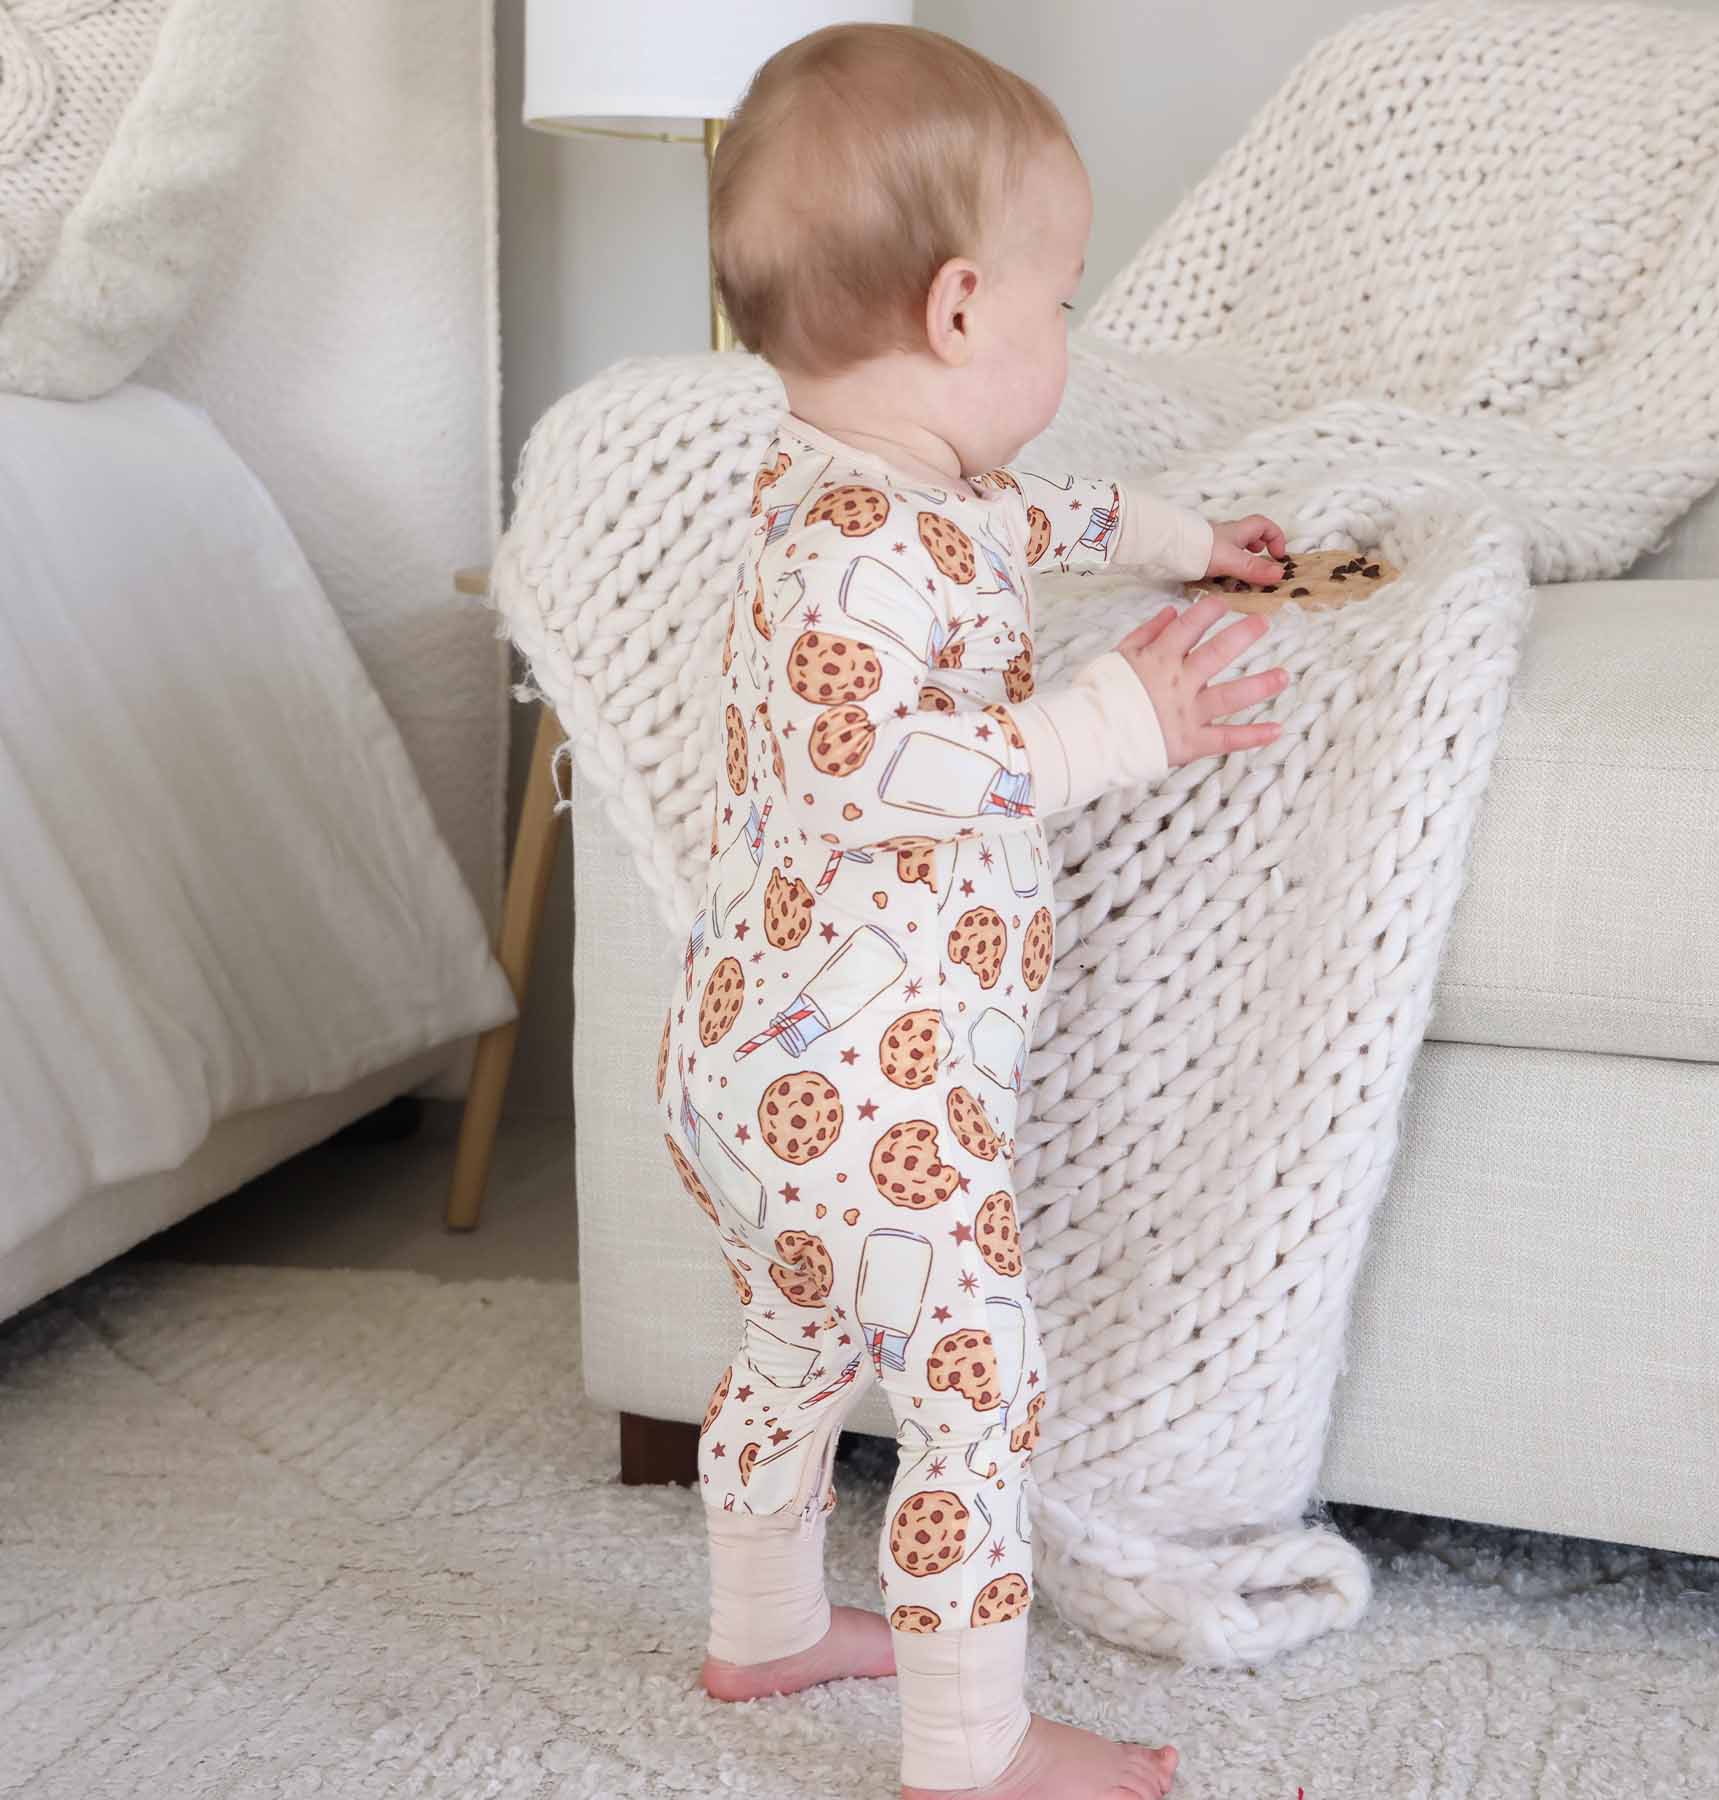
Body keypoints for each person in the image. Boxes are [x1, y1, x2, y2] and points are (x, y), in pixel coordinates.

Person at [659, 23, 1291, 1798]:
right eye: (1059, 302)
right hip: (870, 1096)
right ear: (959, 310)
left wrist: (1184, 540)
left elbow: (1040, 518)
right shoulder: (860, 549)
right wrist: (1120, 722)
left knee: (794, 1345)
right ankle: (974, 1745)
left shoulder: (861, 486)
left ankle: (766, 1628)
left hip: (747, 1072)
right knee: (973, 1394)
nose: (1066, 335)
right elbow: (863, 772)